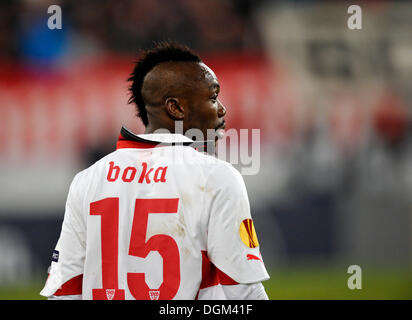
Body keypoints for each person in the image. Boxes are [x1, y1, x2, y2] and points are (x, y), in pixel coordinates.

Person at [40, 41, 270, 300]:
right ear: (176, 108)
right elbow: (245, 292)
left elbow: (64, 293)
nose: (222, 109)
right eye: (213, 97)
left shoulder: (88, 180)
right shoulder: (217, 178)